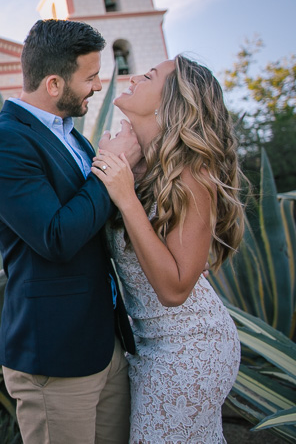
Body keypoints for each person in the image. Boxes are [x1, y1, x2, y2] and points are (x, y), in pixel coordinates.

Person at [0, 19, 139, 443]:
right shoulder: (2, 143)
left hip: (105, 344)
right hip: (56, 355)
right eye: (90, 77)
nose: (98, 86)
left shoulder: (73, 138)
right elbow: (56, 237)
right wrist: (111, 170)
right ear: (53, 83)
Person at [92, 55, 245, 442]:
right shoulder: (140, 168)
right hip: (148, 347)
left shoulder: (191, 173)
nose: (133, 77)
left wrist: (125, 197)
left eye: (149, 76)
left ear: (170, 102)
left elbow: (175, 289)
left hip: (191, 349)